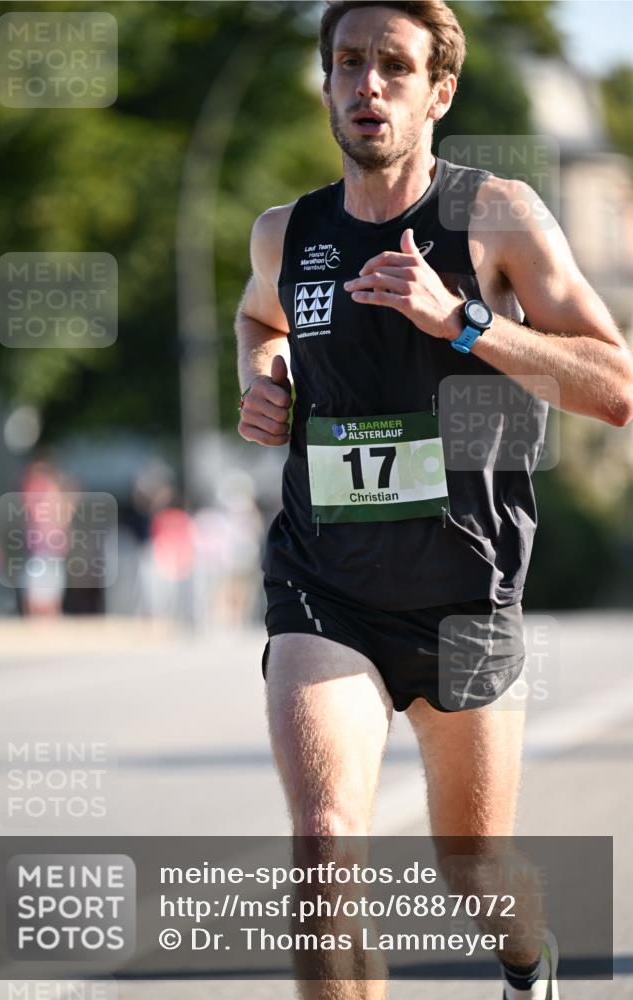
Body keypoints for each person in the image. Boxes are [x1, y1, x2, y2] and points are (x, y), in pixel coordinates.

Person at [235, 2, 633, 997]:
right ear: (326, 84)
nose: (367, 83)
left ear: (438, 92)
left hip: (465, 593)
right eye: (347, 63)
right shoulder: (286, 233)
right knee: (323, 846)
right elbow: (256, 319)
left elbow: (613, 386)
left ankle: (528, 965)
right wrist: (265, 372)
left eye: (394, 66)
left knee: (473, 870)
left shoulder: (495, 216)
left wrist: (462, 321)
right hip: (325, 583)